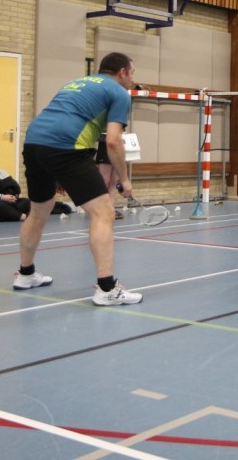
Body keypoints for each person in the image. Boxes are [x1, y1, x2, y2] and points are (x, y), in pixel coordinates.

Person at [15, 51, 142, 305]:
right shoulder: (119, 93)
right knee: (103, 213)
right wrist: (125, 179)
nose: (133, 79)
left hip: (34, 143)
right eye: (132, 73)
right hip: (67, 147)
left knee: (38, 211)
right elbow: (114, 141)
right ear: (122, 72)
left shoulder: (75, 83)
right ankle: (107, 289)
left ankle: (26, 274)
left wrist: (57, 172)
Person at [94, 133, 124, 219]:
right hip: (105, 146)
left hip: (118, 146)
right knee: (104, 181)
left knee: (114, 181)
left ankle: (110, 208)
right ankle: (101, 209)